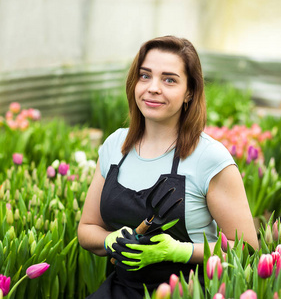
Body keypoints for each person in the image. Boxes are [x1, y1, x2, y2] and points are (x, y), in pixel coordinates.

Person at [77, 35, 259, 298]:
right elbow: (87, 229)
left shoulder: (209, 157)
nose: (153, 88)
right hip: (122, 289)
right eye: (145, 76)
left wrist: (177, 250)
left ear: (189, 93)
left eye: (169, 79)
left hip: (186, 291)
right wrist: (110, 239)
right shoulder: (115, 146)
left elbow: (246, 247)